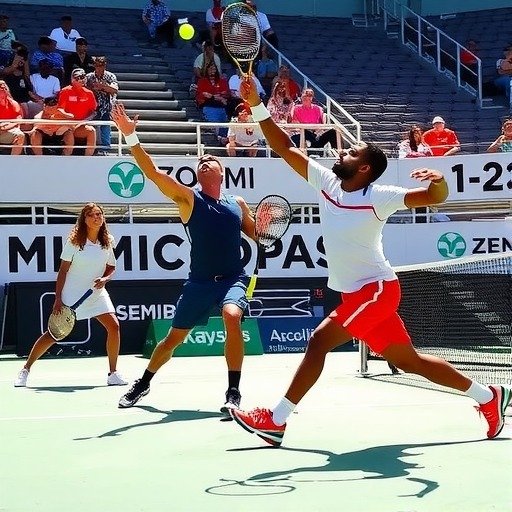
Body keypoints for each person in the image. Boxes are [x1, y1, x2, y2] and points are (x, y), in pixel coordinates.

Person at [227, 76, 512, 447]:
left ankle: (276, 421)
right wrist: (257, 104)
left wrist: (439, 179)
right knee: (410, 362)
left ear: (364, 169)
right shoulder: (327, 181)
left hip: (377, 290)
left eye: (352, 153)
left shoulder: (380, 196)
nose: (343, 153)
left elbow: (433, 197)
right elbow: (284, 146)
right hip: (355, 293)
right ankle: (489, 396)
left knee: (318, 341)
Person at [111, 102, 258, 414]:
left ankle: (233, 391)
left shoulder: (237, 203)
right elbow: (153, 174)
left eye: (210, 160)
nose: (203, 162)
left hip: (233, 278)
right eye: (200, 162)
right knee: (172, 341)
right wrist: (130, 136)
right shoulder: (189, 199)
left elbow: (257, 234)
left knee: (232, 316)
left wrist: (267, 233)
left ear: (221, 172)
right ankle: (143, 382)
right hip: (199, 283)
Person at [14, 203, 127, 387]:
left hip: (97, 293)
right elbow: (63, 271)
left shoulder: (107, 240)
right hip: (73, 295)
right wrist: (58, 298)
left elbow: (111, 266)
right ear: (84, 219)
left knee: (114, 326)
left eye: (99, 214)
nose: (97, 217)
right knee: (53, 335)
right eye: (91, 215)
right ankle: (25, 370)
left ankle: (113, 373)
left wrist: (105, 279)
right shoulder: (74, 242)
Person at [58, 67, 97, 156]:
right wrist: (66, 115)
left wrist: (85, 121)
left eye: (83, 77)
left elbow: (94, 111)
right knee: (69, 134)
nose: (81, 80)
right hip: (67, 125)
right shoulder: (65, 91)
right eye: (78, 78)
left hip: (81, 125)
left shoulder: (89, 93)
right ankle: (65, 159)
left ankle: (88, 159)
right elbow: (59, 108)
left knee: (91, 131)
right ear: (72, 79)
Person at [290, 88, 340, 153]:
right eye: (305, 96)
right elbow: (295, 123)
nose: (307, 98)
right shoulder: (296, 108)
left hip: (316, 134)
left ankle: (338, 153)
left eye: (309, 96)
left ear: (312, 98)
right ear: (301, 97)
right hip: (303, 133)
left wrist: (318, 131)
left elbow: (322, 124)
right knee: (302, 133)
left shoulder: (318, 109)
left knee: (333, 132)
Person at [85, 56, 118, 154]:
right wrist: (93, 88)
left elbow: (114, 90)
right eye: (97, 65)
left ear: (105, 65)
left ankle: (105, 149)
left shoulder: (110, 76)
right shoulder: (89, 76)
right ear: (94, 65)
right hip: (92, 106)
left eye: (102, 65)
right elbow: (85, 89)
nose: (99, 67)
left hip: (106, 106)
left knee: (105, 127)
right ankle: (93, 149)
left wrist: (103, 87)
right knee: (92, 128)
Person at [0, 79, 24, 155]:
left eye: (4, 87)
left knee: (20, 135)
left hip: (7, 130)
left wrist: (4, 128)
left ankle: (14, 160)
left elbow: (18, 120)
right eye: (0, 87)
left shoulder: (13, 103)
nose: (3, 89)